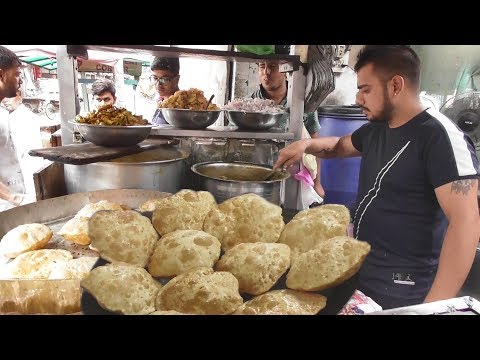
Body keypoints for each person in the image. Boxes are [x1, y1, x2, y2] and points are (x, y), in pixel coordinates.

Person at [273, 45, 480, 310]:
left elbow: (466, 223)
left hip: (407, 290)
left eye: (365, 89)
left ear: (395, 85)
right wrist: (304, 146)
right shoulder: (379, 129)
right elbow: (339, 146)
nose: (358, 98)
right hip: (364, 275)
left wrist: (432, 308)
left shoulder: (439, 138)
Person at [250, 59, 325, 199]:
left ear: (286, 71)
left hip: (293, 177)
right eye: (262, 66)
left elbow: (315, 144)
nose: (266, 72)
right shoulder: (248, 104)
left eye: (272, 66)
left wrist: (317, 183)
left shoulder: (303, 104)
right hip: (259, 177)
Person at [0, 46, 25, 211]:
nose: (20, 80)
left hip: (16, 201)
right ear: (1, 75)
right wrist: (12, 197)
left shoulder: (4, 111)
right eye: (17, 74)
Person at [149, 56, 180, 125]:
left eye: (164, 79)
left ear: (177, 79)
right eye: (155, 78)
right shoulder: (161, 101)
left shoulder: (181, 108)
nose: (158, 84)